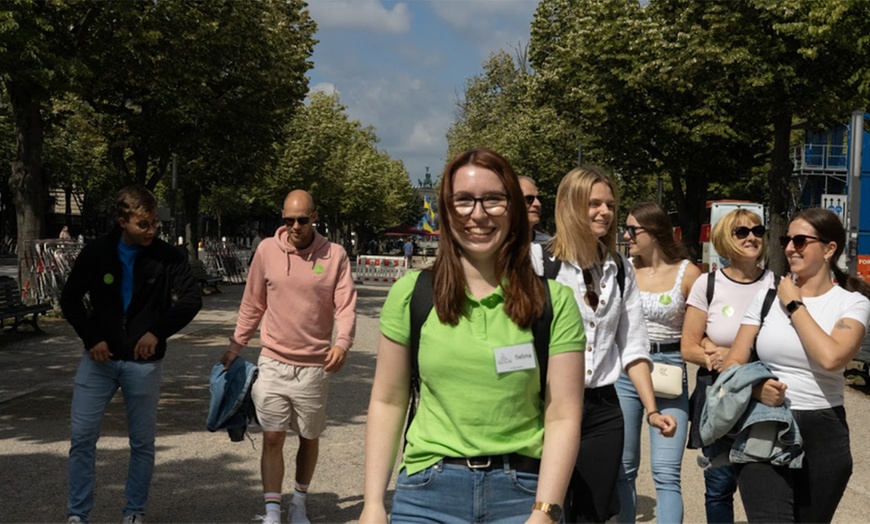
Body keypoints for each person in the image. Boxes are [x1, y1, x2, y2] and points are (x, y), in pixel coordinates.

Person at [360, 148, 585, 524]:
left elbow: (563, 414)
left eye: (493, 200)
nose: (477, 214)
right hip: (427, 496)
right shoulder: (412, 295)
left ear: (513, 207)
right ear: (446, 211)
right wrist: (372, 504)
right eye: (462, 200)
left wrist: (545, 511)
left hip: (524, 494)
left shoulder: (555, 303)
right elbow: (388, 401)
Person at [531, 167, 677, 523]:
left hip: (602, 409)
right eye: (593, 203)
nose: (605, 212)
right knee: (543, 511)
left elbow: (634, 347)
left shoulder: (619, 268)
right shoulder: (538, 263)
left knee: (592, 514)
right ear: (569, 206)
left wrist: (652, 410)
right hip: (545, 405)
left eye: (610, 204)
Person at [61, 186, 202, 524]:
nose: (152, 230)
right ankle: (78, 514)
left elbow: (191, 300)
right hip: (99, 361)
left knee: (141, 442)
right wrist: (92, 337)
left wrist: (158, 331)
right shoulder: (96, 252)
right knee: (82, 438)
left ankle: (134, 512)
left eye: (155, 223)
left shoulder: (169, 256)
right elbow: (70, 299)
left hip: (143, 365)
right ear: (123, 221)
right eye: (144, 225)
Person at [721, 208, 870, 522]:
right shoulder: (765, 297)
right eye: (787, 239)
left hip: (824, 429)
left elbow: (831, 358)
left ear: (829, 249)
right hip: (765, 424)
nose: (789, 247)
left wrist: (793, 303)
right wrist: (756, 387)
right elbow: (733, 362)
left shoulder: (851, 303)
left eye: (800, 241)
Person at [222, 190, 357, 524]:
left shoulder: (335, 255)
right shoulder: (267, 251)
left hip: (314, 365)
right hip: (273, 362)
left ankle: (298, 501)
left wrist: (342, 342)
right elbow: (253, 303)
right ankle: (271, 510)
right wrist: (235, 345)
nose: (295, 226)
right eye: (288, 220)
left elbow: (346, 305)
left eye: (301, 219)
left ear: (314, 216)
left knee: (309, 437)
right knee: (272, 435)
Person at [681, 208, 775, 524]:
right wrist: (713, 355)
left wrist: (730, 354)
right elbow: (688, 346)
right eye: (742, 232)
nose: (752, 237)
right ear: (725, 239)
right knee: (720, 486)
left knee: (764, 484)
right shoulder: (707, 285)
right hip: (720, 395)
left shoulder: (778, 285)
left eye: (757, 231)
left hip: (764, 397)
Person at [615, 202, 701, 523]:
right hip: (625, 370)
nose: (626, 235)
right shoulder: (623, 269)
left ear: (653, 232)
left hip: (668, 368)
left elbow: (701, 326)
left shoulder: (688, 272)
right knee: (624, 469)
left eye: (632, 229)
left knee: (667, 473)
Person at [519, 175, 552, 244]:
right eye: (529, 199)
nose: (538, 204)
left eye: (539, 198)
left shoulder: (550, 247)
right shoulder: (494, 245)